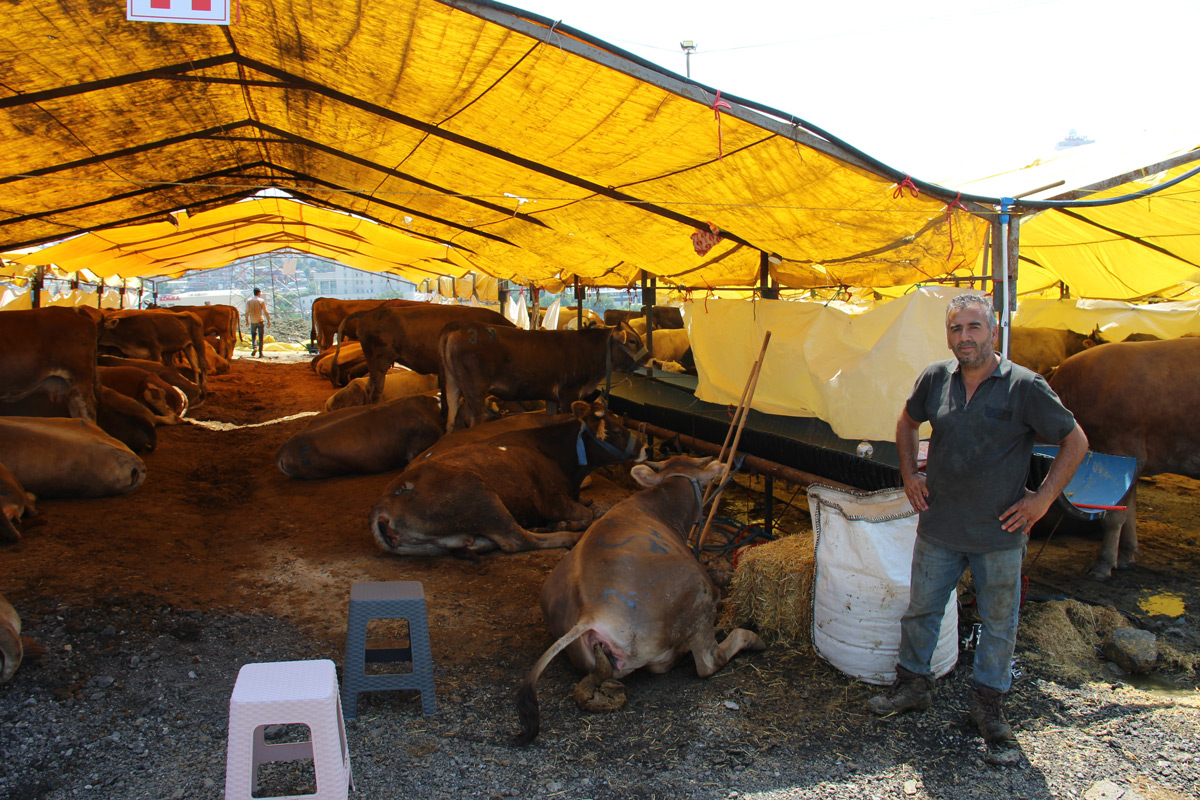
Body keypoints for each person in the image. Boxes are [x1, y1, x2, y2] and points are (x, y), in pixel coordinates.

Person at [867, 293, 1088, 745]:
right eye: (956, 329)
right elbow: (907, 423)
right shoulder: (935, 378)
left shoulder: (1024, 386)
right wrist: (909, 474)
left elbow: (1076, 441)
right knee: (922, 611)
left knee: (999, 622)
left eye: (973, 327)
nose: (964, 337)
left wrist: (1043, 500)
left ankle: (987, 704)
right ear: (948, 336)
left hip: (999, 532)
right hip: (940, 526)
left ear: (993, 331)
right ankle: (913, 686)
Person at [245, 287, 271, 358]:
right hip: (260, 320)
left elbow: (247, 312)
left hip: (253, 321)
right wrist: (268, 320)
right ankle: (260, 353)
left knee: (253, 335)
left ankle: (254, 348)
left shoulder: (249, 301)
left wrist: (247, 320)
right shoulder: (261, 301)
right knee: (261, 336)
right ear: (259, 293)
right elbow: (265, 311)